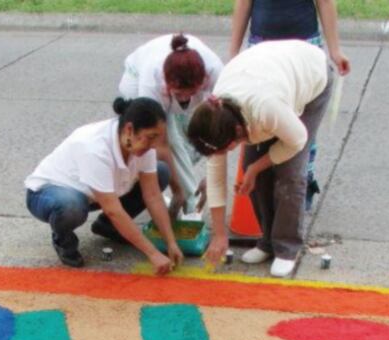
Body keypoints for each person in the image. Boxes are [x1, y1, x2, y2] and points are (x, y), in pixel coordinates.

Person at [187, 40, 335, 278]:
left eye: (226, 149)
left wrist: (256, 168)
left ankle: (287, 248)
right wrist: (220, 235)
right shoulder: (215, 119)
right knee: (249, 168)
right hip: (266, 73)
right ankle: (267, 242)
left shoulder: (266, 108)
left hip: (311, 77)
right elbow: (215, 178)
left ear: (237, 133)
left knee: (289, 173)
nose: (222, 154)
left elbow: (297, 140)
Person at [25, 97, 184, 273]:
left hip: (96, 194)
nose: (153, 145)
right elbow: (112, 209)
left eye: (157, 138)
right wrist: (152, 253)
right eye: (150, 137)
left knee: (161, 172)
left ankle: (108, 227)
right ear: (129, 129)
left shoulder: (140, 144)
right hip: (49, 194)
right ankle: (63, 240)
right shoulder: (95, 148)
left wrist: (171, 242)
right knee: (72, 207)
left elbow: (153, 196)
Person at [228, 0, 351, 210]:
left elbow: (325, 2)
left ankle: (301, 185)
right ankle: (263, 187)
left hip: (304, 43)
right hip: (261, 46)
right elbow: (243, 3)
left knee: (300, 126)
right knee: (259, 120)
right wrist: (233, 53)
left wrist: (335, 50)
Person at [118, 33, 223, 219]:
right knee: (159, 144)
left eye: (190, 93)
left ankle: (182, 186)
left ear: (203, 80)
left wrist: (213, 177)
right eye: (179, 93)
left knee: (194, 137)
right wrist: (177, 190)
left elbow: (223, 128)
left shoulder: (215, 71)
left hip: (180, 88)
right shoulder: (152, 78)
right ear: (166, 81)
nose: (183, 98)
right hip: (135, 79)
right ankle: (182, 200)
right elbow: (160, 143)